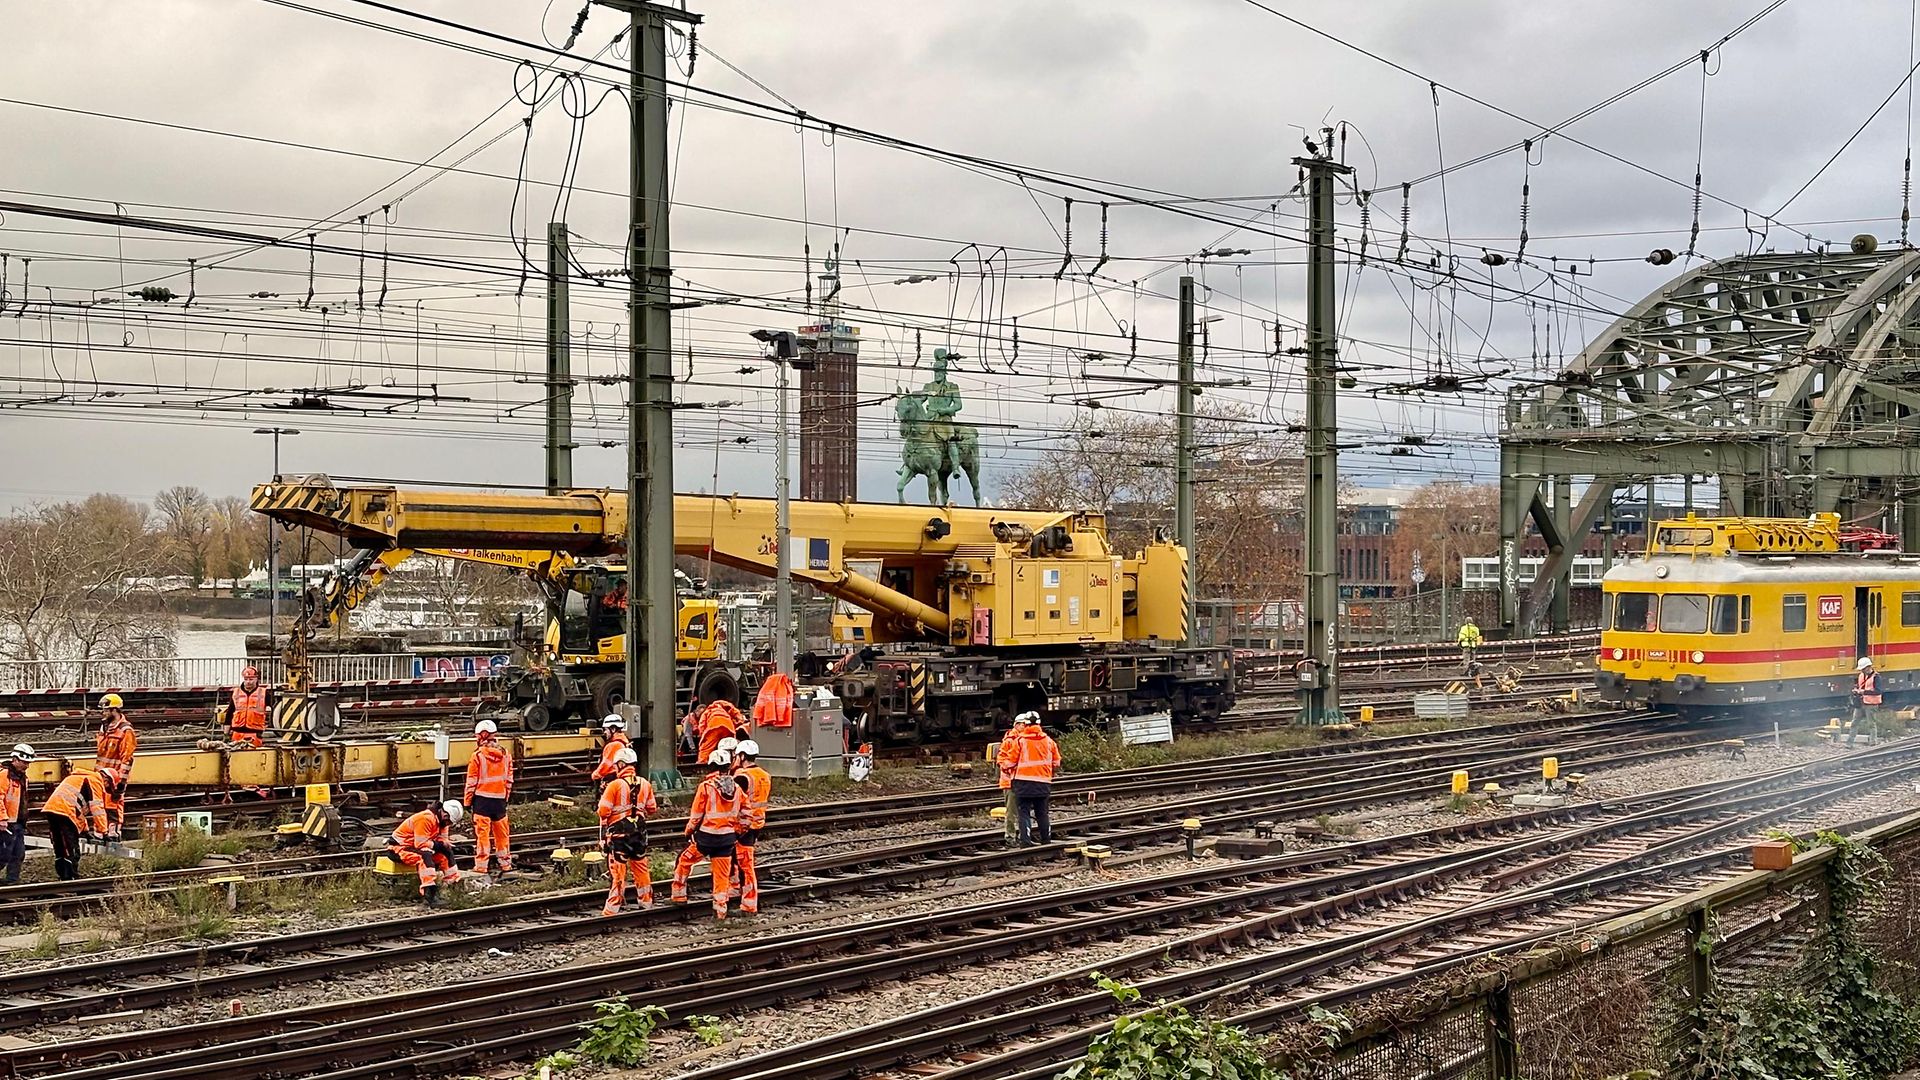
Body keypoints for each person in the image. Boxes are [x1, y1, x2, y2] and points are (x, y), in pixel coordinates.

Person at [671, 748, 747, 919]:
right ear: (728, 767)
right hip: (726, 840)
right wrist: (738, 832)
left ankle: (679, 896)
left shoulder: (706, 787)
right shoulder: (736, 788)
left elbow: (696, 814)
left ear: (711, 766)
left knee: (683, 861)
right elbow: (747, 815)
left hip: (705, 838)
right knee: (721, 878)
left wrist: (688, 831)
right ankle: (720, 913)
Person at [597, 745, 657, 916]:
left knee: (618, 871)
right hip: (639, 833)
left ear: (621, 765)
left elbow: (603, 811)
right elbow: (652, 808)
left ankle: (611, 910)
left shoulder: (614, 785)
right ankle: (646, 902)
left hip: (619, 835)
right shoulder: (645, 783)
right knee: (641, 867)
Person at [387, 799, 464, 905]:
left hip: (413, 846)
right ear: (444, 813)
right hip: (399, 848)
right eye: (448, 821)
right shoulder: (426, 818)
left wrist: (445, 845)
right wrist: (440, 845)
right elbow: (421, 843)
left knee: (446, 854)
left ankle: (454, 884)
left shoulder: (442, 822)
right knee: (424, 857)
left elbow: (442, 840)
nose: (448, 824)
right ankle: (430, 894)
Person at [40, 767, 109, 880]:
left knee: (60, 847)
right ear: (106, 779)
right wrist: (104, 832)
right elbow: (97, 808)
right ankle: (72, 877)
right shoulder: (95, 780)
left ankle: (64, 876)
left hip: (53, 810)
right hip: (64, 813)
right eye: (107, 787)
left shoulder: (78, 778)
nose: (105, 789)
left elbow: (78, 811)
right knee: (70, 847)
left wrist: (85, 830)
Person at [464, 719, 514, 874]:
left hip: (482, 802)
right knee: (502, 835)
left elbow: (472, 781)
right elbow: (509, 780)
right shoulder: (506, 755)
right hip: (499, 801)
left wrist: (467, 801)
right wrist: (505, 798)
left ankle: (481, 866)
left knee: (483, 836)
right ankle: (505, 864)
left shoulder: (477, 756)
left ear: (480, 736)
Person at [1005, 711, 1061, 846]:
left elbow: (1010, 762)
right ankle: (1046, 839)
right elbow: (1056, 762)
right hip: (1043, 783)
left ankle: (1025, 841)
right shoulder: (1049, 741)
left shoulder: (1020, 741)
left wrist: (1005, 768)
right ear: (1039, 723)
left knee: (1024, 812)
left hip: (1023, 783)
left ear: (1025, 724)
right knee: (1042, 813)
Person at [730, 739, 772, 915]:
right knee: (737, 860)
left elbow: (732, 800)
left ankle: (749, 904)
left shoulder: (742, 777)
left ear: (741, 756)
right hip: (757, 823)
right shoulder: (764, 774)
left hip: (743, 826)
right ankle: (736, 890)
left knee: (745, 865)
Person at [95, 694, 136, 839]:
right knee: (99, 805)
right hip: (101, 776)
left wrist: (121, 784)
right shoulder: (104, 727)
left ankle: (113, 833)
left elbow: (127, 759)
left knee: (113, 806)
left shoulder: (125, 731)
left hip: (114, 777)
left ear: (115, 710)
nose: (103, 713)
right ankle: (100, 831)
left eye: (106, 710)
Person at [0, 744, 32, 885]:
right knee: (3, 854)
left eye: (28, 763)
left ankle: (12, 882)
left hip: (17, 822)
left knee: (18, 853)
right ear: (15, 759)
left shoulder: (22, 777)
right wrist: (2, 818)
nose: (26, 766)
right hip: (6, 822)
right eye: (24, 762)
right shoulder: (4, 775)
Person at [994, 718, 1021, 847]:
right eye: (1023, 724)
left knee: (1021, 810)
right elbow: (1002, 760)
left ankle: (1019, 835)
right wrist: (1012, 769)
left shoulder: (1021, 739)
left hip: (1020, 781)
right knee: (1011, 811)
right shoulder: (1010, 740)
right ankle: (1010, 836)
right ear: (1017, 725)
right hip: (1011, 782)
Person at [227, 666, 270, 747]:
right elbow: (230, 712)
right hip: (237, 733)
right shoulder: (236, 693)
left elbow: (273, 710)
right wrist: (226, 733)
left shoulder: (264, 693)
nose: (248, 682)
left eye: (251, 679)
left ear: (256, 679)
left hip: (255, 733)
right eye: (246, 679)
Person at [1850, 656, 1883, 747]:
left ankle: (1873, 743)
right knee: (1854, 722)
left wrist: (1864, 692)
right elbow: (1860, 686)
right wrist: (1856, 690)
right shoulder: (1861, 675)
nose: (1862, 671)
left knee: (1871, 724)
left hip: (1871, 704)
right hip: (1861, 703)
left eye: (1863, 669)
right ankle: (1850, 743)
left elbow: (1878, 691)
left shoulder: (1877, 677)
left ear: (1868, 667)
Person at [591, 713, 631, 783]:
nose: (604, 732)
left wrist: (595, 775)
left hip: (611, 780)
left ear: (613, 729)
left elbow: (605, 766)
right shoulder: (624, 741)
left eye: (606, 729)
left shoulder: (613, 745)